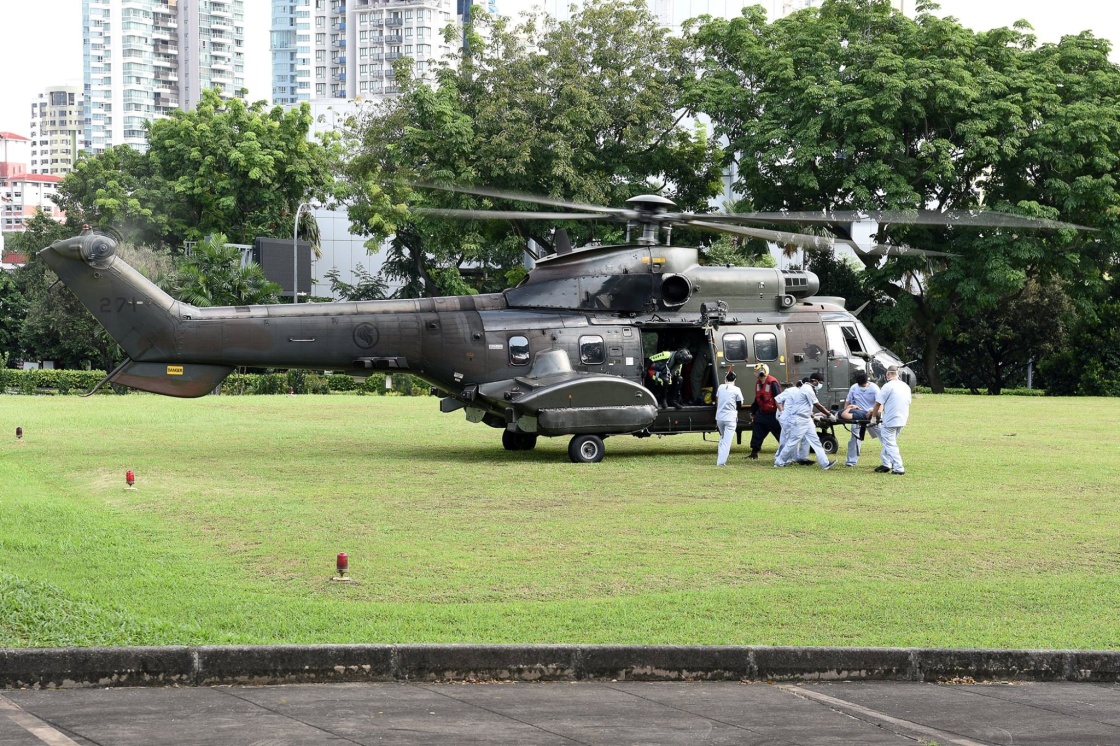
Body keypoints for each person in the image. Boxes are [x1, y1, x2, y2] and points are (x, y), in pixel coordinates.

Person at [774, 372, 835, 470]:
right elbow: (817, 405)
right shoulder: (807, 389)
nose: (820, 385)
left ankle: (825, 464)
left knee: (816, 441)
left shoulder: (808, 389)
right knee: (792, 442)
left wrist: (814, 416)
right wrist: (829, 415)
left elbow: (806, 406)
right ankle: (779, 462)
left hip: (806, 419)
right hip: (799, 420)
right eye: (820, 382)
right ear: (814, 381)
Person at [869, 365, 912, 475]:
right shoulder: (905, 386)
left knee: (890, 443)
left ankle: (898, 467)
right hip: (903, 418)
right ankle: (886, 463)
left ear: (888, 374)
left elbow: (878, 403)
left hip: (891, 419)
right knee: (889, 442)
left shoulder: (888, 386)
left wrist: (873, 418)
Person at [840, 371, 880, 467]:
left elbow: (880, 403)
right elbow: (848, 401)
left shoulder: (874, 388)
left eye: (863, 384)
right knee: (854, 438)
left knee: (883, 436)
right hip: (858, 415)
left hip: (870, 415)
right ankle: (851, 462)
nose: (862, 386)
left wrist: (876, 416)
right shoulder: (854, 388)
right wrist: (846, 413)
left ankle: (889, 461)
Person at [747, 363, 782, 459]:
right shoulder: (759, 383)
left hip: (773, 414)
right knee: (757, 431)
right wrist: (753, 410)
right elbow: (758, 398)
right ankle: (754, 453)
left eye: (756, 371)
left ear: (762, 372)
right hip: (762, 413)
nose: (754, 373)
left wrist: (781, 412)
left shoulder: (772, 383)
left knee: (780, 435)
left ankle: (786, 453)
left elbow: (779, 398)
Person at [774, 380, 810, 465]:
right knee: (788, 439)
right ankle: (783, 459)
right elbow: (777, 399)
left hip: (792, 418)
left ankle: (791, 458)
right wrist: (782, 411)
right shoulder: (791, 391)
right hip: (785, 417)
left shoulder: (803, 393)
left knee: (789, 438)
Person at [714, 370, 744, 466]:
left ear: (725, 379)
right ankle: (721, 462)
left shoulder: (720, 387)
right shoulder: (736, 389)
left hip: (719, 417)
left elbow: (717, 400)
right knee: (727, 440)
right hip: (730, 417)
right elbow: (740, 403)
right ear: (735, 380)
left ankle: (720, 456)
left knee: (723, 437)